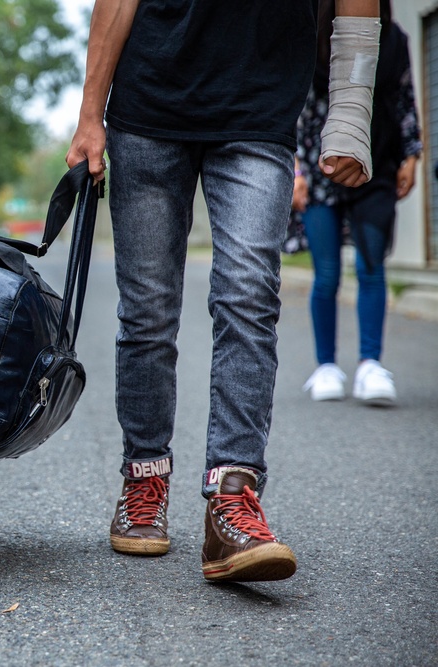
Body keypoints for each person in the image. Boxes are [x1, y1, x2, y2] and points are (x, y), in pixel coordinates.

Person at [66, 0, 379, 582]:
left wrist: (350, 116)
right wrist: (91, 114)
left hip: (260, 111)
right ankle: (145, 477)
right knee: (148, 314)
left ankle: (232, 497)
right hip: (148, 107)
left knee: (248, 296)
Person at [297, 0, 421, 406]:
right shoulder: (309, 34)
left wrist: (412, 155)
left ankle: (370, 364)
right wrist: (295, 168)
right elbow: (293, 105)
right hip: (320, 169)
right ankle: (326, 366)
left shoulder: (394, 39)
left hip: (378, 165)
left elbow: (404, 95)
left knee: (371, 266)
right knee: (327, 273)